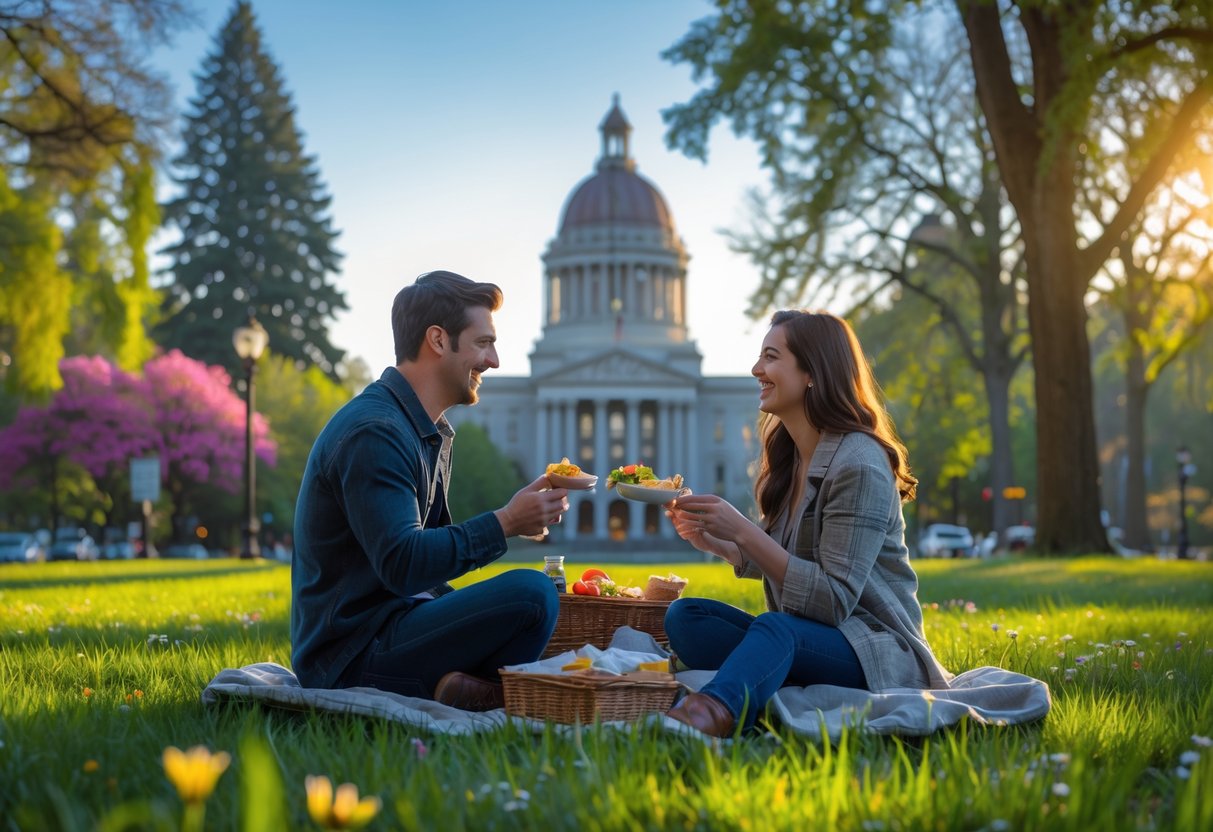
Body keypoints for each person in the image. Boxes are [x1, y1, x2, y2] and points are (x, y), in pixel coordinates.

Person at [663, 310, 951, 736]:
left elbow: (832, 601)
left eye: (771, 357)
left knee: (776, 630)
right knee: (686, 618)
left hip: (873, 647)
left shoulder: (859, 463)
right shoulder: (792, 456)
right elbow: (790, 557)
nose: (756, 369)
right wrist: (720, 544)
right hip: (812, 636)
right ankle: (769, 673)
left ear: (813, 372)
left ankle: (714, 712)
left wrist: (742, 529)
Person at [291, 270, 569, 711]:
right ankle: (491, 693)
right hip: (348, 658)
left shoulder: (426, 430)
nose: (493, 361)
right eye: (483, 343)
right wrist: (507, 522)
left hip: (394, 626)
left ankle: (472, 691)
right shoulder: (376, 432)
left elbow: (426, 570)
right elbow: (405, 563)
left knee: (539, 602)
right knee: (531, 595)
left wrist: (473, 609)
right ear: (438, 340)